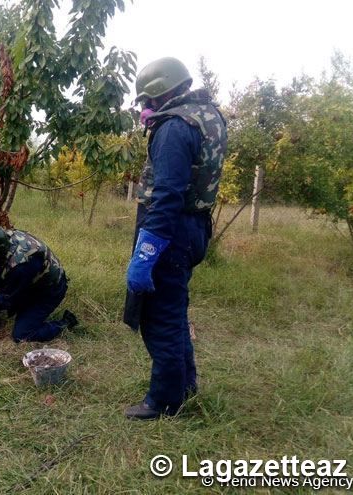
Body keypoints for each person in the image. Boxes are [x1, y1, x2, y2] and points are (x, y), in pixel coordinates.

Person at [124, 57, 228, 420]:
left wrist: (147, 250)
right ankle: (185, 385)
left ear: (161, 92)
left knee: (159, 317)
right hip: (196, 226)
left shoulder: (173, 128)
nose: (146, 108)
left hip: (170, 229)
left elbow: (167, 195)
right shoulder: (209, 115)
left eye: (147, 101)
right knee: (175, 310)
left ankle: (165, 400)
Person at [0, 224, 78, 342]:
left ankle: (66, 322)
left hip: (48, 291)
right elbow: (3, 279)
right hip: (29, 281)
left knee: (22, 335)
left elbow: (9, 301)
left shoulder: (21, 265)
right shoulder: (4, 239)